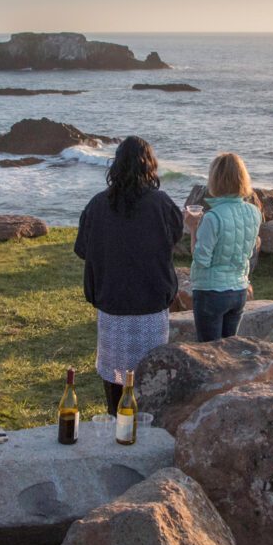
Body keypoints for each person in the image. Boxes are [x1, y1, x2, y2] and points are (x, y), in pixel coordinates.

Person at [74, 136, 183, 415]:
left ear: (116, 166)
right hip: (151, 305)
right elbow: (174, 239)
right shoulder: (162, 204)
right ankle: (142, 423)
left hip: (113, 303)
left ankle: (116, 421)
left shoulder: (98, 205)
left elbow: (83, 249)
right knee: (147, 375)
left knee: (117, 375)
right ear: (150, 166)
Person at [184, 153, 263, 342]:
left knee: (210, 353)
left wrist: (193, 228)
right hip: (238, 290)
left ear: (215, 180)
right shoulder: (254, 212)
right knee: (229, 352)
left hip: (211, 292)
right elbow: (249, 251)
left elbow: (201, 259)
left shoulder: (213, 217)